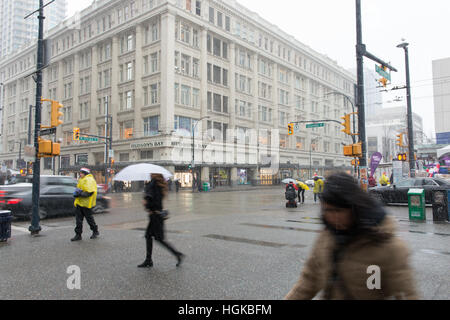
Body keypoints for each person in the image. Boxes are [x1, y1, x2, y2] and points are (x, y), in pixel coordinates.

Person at [284, 172, 418, 300]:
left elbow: (407, 293)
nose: (333, 217)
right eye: (328, 210)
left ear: (354, 208)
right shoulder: (326, 238)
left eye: (338, 210)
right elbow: (307, 282)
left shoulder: (388, 246)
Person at [138, 173, 184, 268]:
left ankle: (177, 254)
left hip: (155, 216)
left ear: (154, 175)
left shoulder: (153, 184)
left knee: (159, 239)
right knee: (148, 236)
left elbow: (153, 201)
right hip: (156, 215)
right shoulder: (158, 184)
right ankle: (148, 260)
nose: (149, 174)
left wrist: (146, 203)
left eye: (151, 173)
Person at [71, 168, 99, 241]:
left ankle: (95, 231)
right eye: (80, 173)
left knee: (89, 219)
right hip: (79, 203)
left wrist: (79, 194)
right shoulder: (81, 179)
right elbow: (80, 189)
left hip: (86, 204)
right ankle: (78, 235)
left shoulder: (89, 180)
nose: (80, 174)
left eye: (81, 173)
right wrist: (77, 193)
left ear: (85, 173)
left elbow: (89, 192)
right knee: (78, 220)